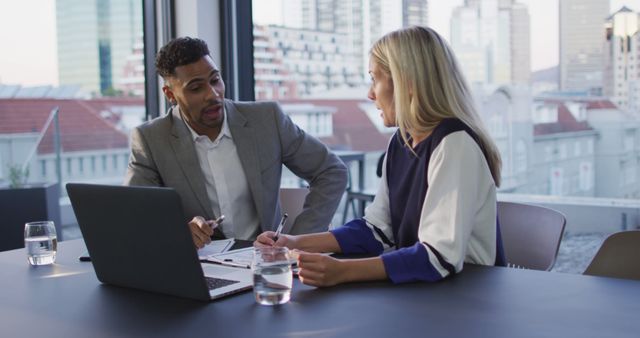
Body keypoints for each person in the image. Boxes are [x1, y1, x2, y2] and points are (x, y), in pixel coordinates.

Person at [255, 26, 505, 287]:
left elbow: (439, 257)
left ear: (406, 82)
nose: (370, 93)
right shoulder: (401, 141)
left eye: (375, 79)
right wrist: (294, 242)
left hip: (468, 299)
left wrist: (342, 271)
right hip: (426, 293)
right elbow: (377, 229)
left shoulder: (454, 144)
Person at [124, 37, 348, 248]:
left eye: (215, 80)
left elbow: (331, 171)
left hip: (265, 265)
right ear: (170, 94)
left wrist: (297, 242)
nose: (212, 94)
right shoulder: (151, 140)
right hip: (198, 269)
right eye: (195, 88)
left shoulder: (266, 120)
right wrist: (178, 232)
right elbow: (137, 215)